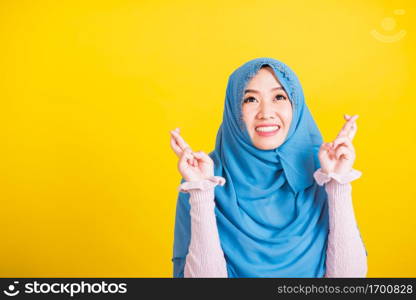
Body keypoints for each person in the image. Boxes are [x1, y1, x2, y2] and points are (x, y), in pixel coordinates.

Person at [169, 57, 368, 278]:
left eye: (279, 97)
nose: (266, 112)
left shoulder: (320, 172)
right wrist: (201, 193)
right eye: (250, 99)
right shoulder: (204, 178)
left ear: (296, 106)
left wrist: (337, 183)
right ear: (234, 110)